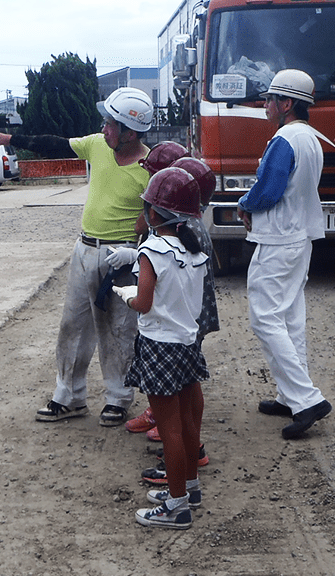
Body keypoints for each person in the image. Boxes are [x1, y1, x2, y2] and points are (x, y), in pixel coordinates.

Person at [0, 87, 153, 427]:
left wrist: (136, 253)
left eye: (110, 124)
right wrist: (11, 137)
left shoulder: (150, 166)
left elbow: (158, 215)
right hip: (85, 249)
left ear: (130, 132)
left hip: (122, 258)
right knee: (73, 324)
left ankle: (118, 398)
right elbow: (54, 143)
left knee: (119, 329)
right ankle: (70, 395)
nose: (104, 128)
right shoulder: (96, 146)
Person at [112, 166, 210, 529]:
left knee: (169, 429)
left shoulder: (152, 250)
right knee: (187, 422)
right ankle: (190, 487)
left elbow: (145, 303)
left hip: (159, 347)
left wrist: (125, 293)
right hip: (186, 345)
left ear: (155, 213)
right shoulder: (194, 249)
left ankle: (176, 505)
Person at [236, 69, 330, 440]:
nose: (264, 104)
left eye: (269, 99)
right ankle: (290, 396)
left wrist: (244, 203)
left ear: (286, 104)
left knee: (265, 318)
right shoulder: (310, 138)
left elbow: (268, 190)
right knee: (290, 319)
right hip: (300, 237)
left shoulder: (284, 139)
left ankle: (306, 399)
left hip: (277, 240)